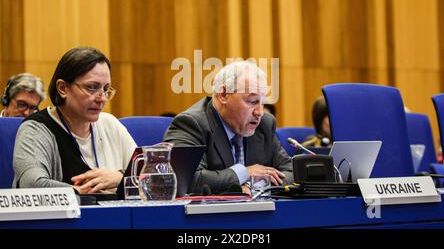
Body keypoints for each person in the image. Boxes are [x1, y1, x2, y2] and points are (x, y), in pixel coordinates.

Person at [13, 47, 137, 193]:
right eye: (92, 87)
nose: (102, 98)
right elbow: (31, 184)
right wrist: (86, 191)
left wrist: (120, 178)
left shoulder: (110, 124)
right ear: (63, 88)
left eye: (106, 89)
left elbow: (146, 177)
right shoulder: (35, 129)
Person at [164, 61, 293, 195]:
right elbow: (187, 181)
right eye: (252, 101)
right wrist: (244, 173)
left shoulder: (264, 124)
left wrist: (254, 187)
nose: (259, 112)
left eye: (262, 102)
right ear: (223, 94)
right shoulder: (191, 123)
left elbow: (292, 173)